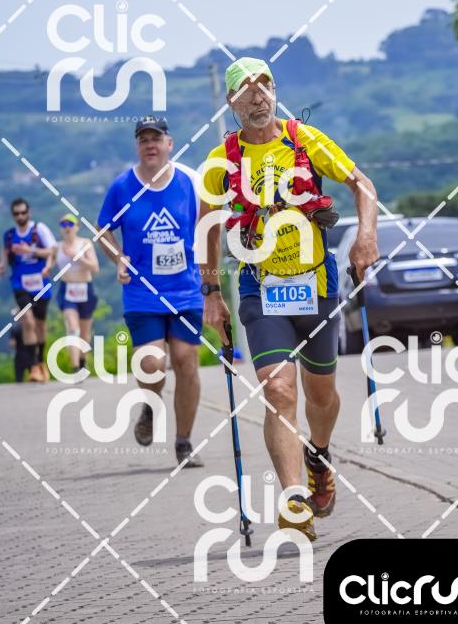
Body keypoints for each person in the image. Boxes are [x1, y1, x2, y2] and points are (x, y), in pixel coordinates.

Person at [199, 58, 379, 541]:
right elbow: (207, 225)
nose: (258, 96)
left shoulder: (305, 140)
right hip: (260, 288)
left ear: (275, 92)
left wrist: (366, 237)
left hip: (315, 284)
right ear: (231, 101)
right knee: (278, 390)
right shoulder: (221, 160)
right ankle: (294, 499)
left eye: (265, 86)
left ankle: (319, 453)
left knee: (321, 394)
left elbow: (363, 186)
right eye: (247, 89)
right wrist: (211, 292)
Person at [96, 116, 204, 467]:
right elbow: (102, 230)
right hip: (142, 292)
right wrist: (119, 258)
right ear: (137, 146)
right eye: (143, 140)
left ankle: (184, 442)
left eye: (156, 138)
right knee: (152, 362)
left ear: (169, 144)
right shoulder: (122, 187)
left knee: (186, 361)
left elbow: (208, 226)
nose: (150, 145)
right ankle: (149, 405)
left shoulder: (189, 182)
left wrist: (209, 275)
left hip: (185, 289)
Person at [0, 198, 55, 382]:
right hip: (20, 284)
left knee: (40, 325)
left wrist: (31, 251)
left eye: (23, 212)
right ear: (13, 215)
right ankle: (33, 367)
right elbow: (5, 251)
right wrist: (1, 265)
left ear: (28, 212)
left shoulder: (39, 229)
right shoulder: (9, 235)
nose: (20, 216)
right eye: (16, 213)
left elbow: (52, 250)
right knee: (27, 321)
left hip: (40, 283)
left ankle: (41, 361)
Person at [51, 213, 100, 375]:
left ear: (77, 227)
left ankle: (82, 360)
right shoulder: (56, 247)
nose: (67, 228)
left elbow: (95, 267)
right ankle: (75, 367)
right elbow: (47, 258)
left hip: (85, 288)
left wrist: (76, 257)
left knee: (85, 333)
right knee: (73, 328)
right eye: (63, 225)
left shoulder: (85, 244)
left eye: (70, 224)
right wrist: (46, 268)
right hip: (67, 289)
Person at [9, 309, 31, 383]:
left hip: (19, 355)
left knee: (19, 378)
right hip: (30, 354)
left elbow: (12, 343)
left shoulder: (15, 328)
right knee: (33, 375)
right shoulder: (29, 327)